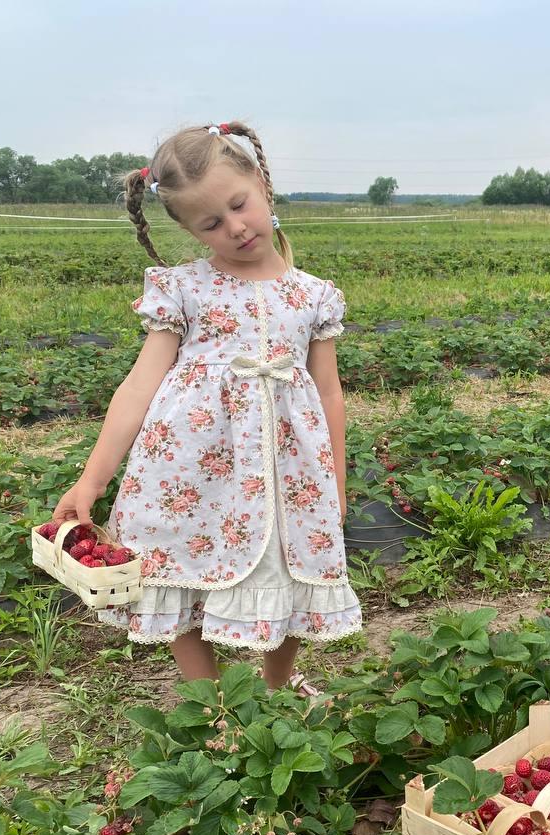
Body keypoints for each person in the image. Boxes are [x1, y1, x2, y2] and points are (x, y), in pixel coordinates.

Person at [51, 120, 362, 690]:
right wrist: (91, 480)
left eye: (240, 206)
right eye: (212, 223)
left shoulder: (314, 295)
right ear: (192, 232)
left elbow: (328, 392)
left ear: (263, 187)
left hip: (285, 468)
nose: (236, 228)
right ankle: (211, 702)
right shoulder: (184, 289)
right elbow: (138, 387)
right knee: (173, 564)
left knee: (287, 568)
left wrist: (335, 478)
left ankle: (274, 689)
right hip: (189, 468)